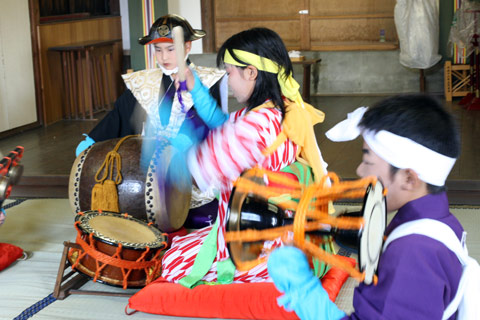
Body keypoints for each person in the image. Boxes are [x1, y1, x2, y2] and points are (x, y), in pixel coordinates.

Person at [266, 94, 475, 319]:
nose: (360, 171)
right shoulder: (436, 224)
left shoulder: (413, 253)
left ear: (409, 179)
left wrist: (303, 288)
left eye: (368, 161)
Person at [160, 27, 330, 287]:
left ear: (251, 72)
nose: (227, 81)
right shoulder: (282, 110)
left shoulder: (254, 126)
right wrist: (195, 88)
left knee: (171, 262)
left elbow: (197, 172)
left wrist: (170, 150)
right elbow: (224, 126)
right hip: (280, 230)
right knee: (183, 243)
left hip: (261, 244)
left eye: (229, 73)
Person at [75, 14, 229, 226]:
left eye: (170, 49)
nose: (163, 56)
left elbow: (213, 127)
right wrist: (92, 141)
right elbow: (119, 116)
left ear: (187, 46)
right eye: (158, 49)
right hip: (145, 174)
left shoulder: (208, 81)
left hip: (191, 177)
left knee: (195, 216)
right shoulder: (143, 82)